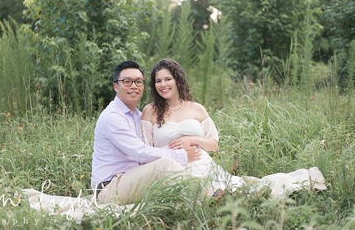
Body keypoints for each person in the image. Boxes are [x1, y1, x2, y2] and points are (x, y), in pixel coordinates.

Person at [140, 59, 326, 197]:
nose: (163, 85)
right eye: (158, 81)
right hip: (172, 168)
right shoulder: (150, 111)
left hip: (201, 164)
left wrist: (194, 140)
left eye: (167, 79)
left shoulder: (196, 108)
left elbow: (214, 144)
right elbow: (146, 152)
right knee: (199, 194)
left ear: (177, 80)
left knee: (242, 190)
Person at [91, 60, 202, 204]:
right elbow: (140, 152)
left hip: (132, 178)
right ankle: (205, 197)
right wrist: (182, 154)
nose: (133, 86)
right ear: (115, 86)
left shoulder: (138, 115)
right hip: (110, 187)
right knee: (165, 165)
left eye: (138, 82)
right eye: (127, 81)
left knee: (172, 165)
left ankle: (205, 191)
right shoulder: (112, 116)